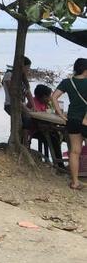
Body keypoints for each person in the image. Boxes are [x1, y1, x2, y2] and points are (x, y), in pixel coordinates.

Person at [51, 57, 87, 190]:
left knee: (75, 151)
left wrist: (60, 113)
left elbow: (54, 97)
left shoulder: (67, 82)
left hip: (72, 120)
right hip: (85, 121)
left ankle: (75, 182)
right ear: (85, 69)